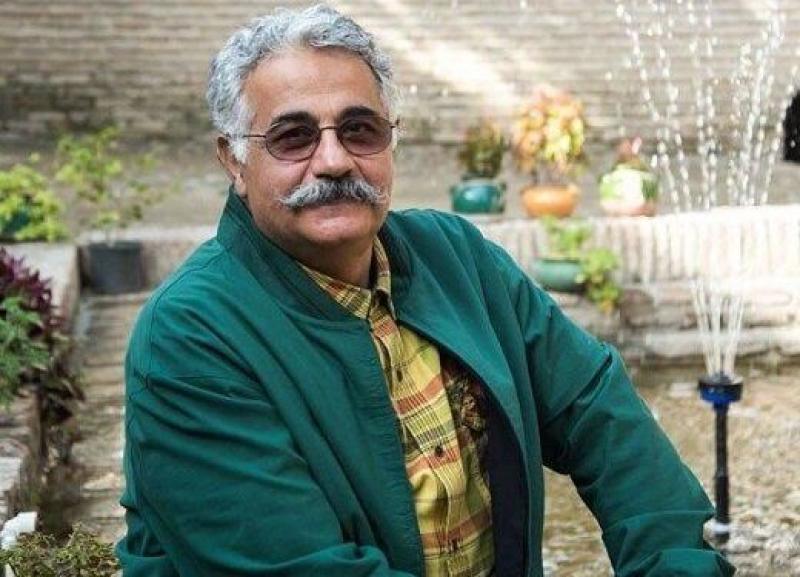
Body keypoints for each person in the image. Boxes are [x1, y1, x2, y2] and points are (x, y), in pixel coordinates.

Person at [115, 5, 735, 576]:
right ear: (233, 161)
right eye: (293, 137)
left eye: (360, 130)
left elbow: (599, 412)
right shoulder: (191, 336)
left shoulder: (456, 258)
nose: (333, 160)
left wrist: (676, 564)